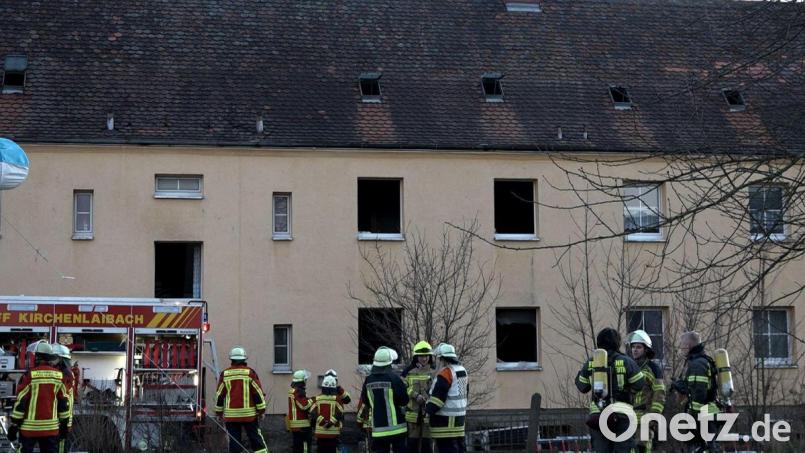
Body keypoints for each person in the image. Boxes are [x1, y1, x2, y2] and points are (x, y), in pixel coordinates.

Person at [576, 328, 645, 453]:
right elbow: (639, 384)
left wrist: (580, 375)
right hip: (622, 415)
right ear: (617, 343)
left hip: (598, 417)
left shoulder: (591, 363)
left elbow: (582, 386)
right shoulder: (626, 361)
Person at [8, 341, 70, 453]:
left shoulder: (29, 375)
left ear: (37, 357)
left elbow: (20, 402)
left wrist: (14, 425)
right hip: (51, 430)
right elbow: (64, 402)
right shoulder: (59, 376)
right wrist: (64, 425)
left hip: (29, 429)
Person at [672, 331, 721, 453]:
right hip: (707, 414)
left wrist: (693, 418)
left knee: (705, 448)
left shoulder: (697, 364)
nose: (681, 349)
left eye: (682, 345)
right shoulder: (700, 360)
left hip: (703, 416)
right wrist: (681, 385)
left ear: (688, 345)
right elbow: (695, 386)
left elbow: (699, 394)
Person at [214, 346, 268, 453]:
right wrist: (261, 411)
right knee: (256, 439)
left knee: (235, 442)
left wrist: (218, 413)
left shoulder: (225, 374)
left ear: (231, 359)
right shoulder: (250, 373)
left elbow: (219, 395)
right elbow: (257, 393)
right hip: (249, 415)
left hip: (231, 416)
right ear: (244, 359)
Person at [359, 346, 409, 453]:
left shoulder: (368, 380)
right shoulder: (394, 378)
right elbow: (404, 400)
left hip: (378, 431)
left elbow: (365, 400)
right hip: (398, 429)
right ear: (389, 363)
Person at [424, 343, 468, 453]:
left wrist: (427, 410)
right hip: (459, 421)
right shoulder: (462, 370)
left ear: (442, 359)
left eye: (438, 359)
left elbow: (438, 399)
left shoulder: (446, 373)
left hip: (445, 423)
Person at [627, 330, 666, 453]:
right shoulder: (629, 367)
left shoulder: (653, 369)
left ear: (646, 349)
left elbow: (659, 395)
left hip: (645, 420)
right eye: (633, 347)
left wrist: (652, 417)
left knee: (643, 449)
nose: (635, 350)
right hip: (629, 420)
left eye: (638, 347)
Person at [402, 341, 436, 453]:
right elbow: (402, 388)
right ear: (416, 356)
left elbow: (438, 391)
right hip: (412, 415)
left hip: (428, 415)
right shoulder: (409, 372)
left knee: (427, 446)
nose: (424, 358)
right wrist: (415, 395)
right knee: (412, 445)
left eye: (426, 356)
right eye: (421, 356)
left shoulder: (434, 372)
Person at [51, 344, 75, 453]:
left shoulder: (65, 374)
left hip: (63, 417)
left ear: (60, 359)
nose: (51, 361)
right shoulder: (64, 372)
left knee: (60, 446)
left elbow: (62, 396)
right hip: (60, 416)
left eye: (54, 358)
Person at [311, 375, 345, 453]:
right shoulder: (337, 399)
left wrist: (322, 422)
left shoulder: (317, 398)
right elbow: (340, 412)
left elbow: (312, 412)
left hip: (320, 433)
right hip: (333, 433)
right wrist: (330, 422)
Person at [287, 369, 313, 453]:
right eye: (305, 380)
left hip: (296, 424)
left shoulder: (293, 391)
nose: (306, 381)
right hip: (302, 425)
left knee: (297, 447)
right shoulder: (298, 391)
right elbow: (304, 406)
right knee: (304, 446)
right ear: (302, 381)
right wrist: (313, 400)